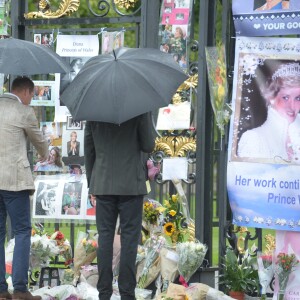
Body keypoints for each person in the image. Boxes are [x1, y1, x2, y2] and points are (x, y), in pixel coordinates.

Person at [84, 112, 156, 300]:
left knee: (105, 237)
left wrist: (92, 183)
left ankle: (104, 293)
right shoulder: (139, 108)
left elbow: (89, 149)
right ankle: (127, 293)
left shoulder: (95, 109)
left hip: (103, 182)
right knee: (130, 239)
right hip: (131, 183)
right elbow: (149, 144)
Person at [0, 77, 48, 300]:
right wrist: (47, 154)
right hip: (14, 181)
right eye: (32, 95)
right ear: (26, 92)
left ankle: (1, 290)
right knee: (21, 231)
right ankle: (19, 289)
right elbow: (40, 143)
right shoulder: (23, 111)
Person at [238, 62, 300, 163]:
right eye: (285, 97)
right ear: (272, 97)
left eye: (298, 98)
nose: (292, 106)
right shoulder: (253, 139)